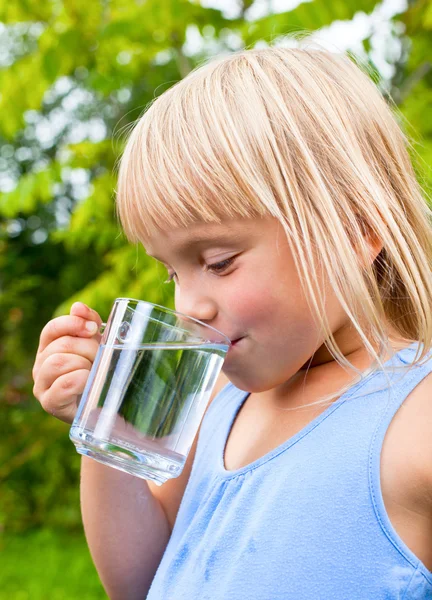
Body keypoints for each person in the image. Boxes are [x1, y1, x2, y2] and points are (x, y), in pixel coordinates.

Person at [32, 45, 432, 599]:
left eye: (218, 262)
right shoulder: (220, 401)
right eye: (172, 274)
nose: (190, 306)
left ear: (356, 232)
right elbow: (139, 581)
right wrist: (106, 423)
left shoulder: (415, 417)